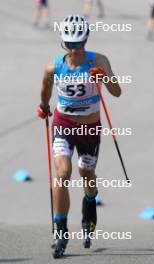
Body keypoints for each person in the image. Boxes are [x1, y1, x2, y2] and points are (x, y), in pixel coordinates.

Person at [37, 14, 121, 258]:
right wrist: (43, 106)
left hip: (90, 129)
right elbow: (45, 86)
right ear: (64, 44)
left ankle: (91, 200)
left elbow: (117, 91)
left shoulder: (100, 60)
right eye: (71, 45)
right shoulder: (54, 66)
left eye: (79, 44)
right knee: (62, 174)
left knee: (86, 173)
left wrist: (103, 77)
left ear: (85, 41)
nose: (75, 50)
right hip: (63, 124)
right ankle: (61, 233)